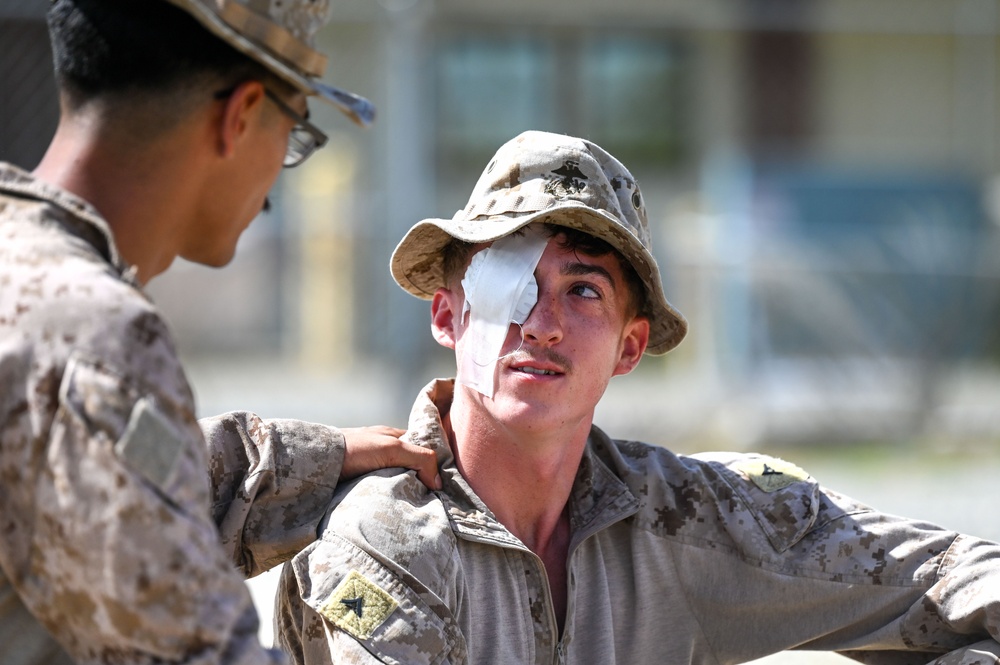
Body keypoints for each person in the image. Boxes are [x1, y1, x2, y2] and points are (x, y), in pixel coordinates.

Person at [273, 130, 1000, 665]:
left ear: (628, 345)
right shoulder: (387, 535)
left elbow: (950, 573)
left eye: (582, 289)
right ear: (447, 316)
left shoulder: (681, 515)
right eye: (508, 281)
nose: (540, 323)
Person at [0, 1, 441, 663]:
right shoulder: (96, 337)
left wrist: (315, 459)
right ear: (240, 116)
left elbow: (90, 480)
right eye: (295, 132)